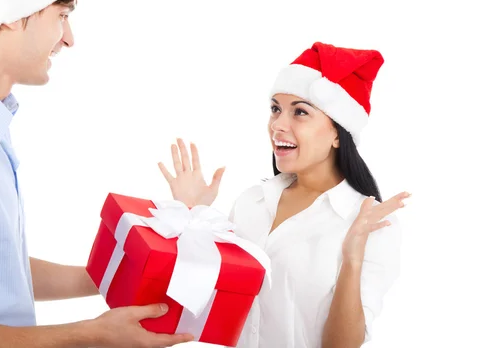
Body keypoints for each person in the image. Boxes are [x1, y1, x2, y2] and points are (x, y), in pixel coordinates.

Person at [0, 0, 193, 347]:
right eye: (62, 16)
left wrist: (118, 273)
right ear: (11, 11)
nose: (69, 38)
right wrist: (90, 335)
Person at [159, 42, 410, 347]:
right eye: (275, 109)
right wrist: (192, 215)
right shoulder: (251, 202)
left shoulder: (372, 224)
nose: (278, 125)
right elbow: (201, 298)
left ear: (337, 132)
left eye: (300, 112)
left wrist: (352, 257)